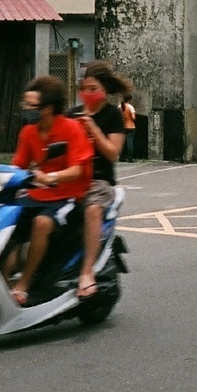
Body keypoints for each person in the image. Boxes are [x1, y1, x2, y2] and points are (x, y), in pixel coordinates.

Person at [8, 75, 93, 306]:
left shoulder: (71, 129)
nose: (27, 111)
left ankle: (24, 285)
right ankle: (2, 280)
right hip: (37, 195)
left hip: (67, 197)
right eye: (25, 105)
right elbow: (18, 165)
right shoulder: (28, 132)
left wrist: (51, 176)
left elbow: (77, 169)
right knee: (5, 221)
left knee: (42, 223)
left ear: (49, 108)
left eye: (32, 106)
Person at [69, 60, 132, 299]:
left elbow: (113, 153)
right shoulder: (72, 114)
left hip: (99, 181)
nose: (88, 94)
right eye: (84, 88)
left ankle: (86, 272)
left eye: (93, 88)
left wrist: (93, 130)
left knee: (92, 209)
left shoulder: (112, 116)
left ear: (104, 90)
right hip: (70, 177)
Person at [119, 91, 137, 162]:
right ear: (130, 99)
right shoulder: (130, 107)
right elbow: (133, 118)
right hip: (130, 126)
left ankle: (121, 157)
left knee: (122, 143)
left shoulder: (119, 106)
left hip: (122, 126)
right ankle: (130, 158)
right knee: (130, 143)